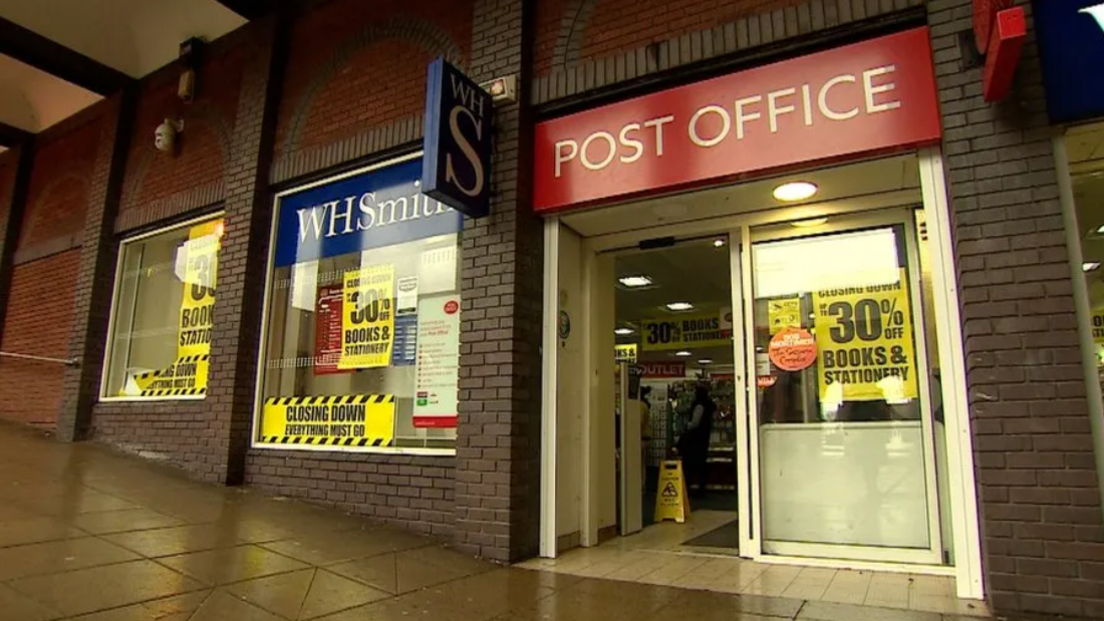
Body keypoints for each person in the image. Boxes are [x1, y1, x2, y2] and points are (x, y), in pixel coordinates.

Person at [679, 383, 715, 495]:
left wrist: (686, 426)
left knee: (689, 463)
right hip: (704, 437)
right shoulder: (710, 404)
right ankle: (701, 487)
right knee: (701, 463)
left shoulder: (699, 405)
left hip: (694, 439)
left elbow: (695, 422)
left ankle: (687, 487)